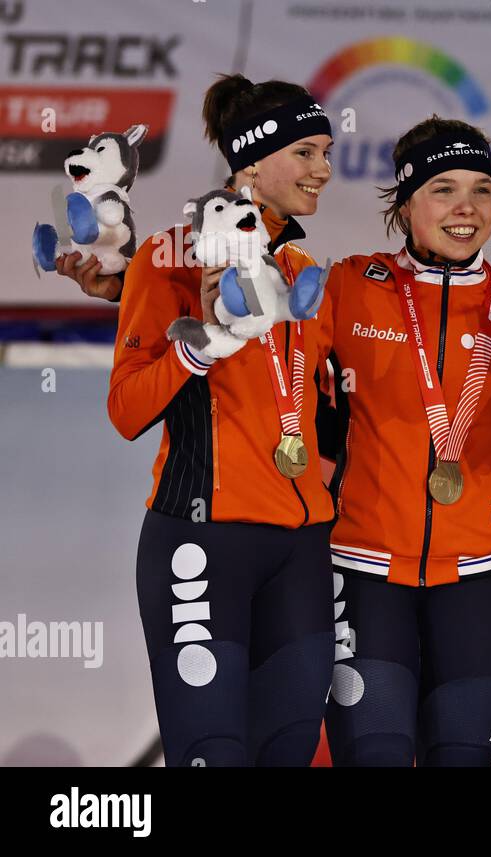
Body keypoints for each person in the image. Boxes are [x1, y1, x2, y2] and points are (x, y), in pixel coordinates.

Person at [107, 74, 335, 766]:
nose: (323, 169)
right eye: (305, 152)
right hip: (201, 543)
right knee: (212, 754)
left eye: (326, 151)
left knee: (286, 754)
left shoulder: (303, 270)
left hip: (300, 550)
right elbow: (127, 409)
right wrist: (200, 344)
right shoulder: (169, 259)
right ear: (252, 163)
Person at [318, 116, 491, 766]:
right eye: (443, 189)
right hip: (366, 573)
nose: (467, 208)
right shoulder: (349, 287)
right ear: (405, 201)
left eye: (481, 189)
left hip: (476, 579)